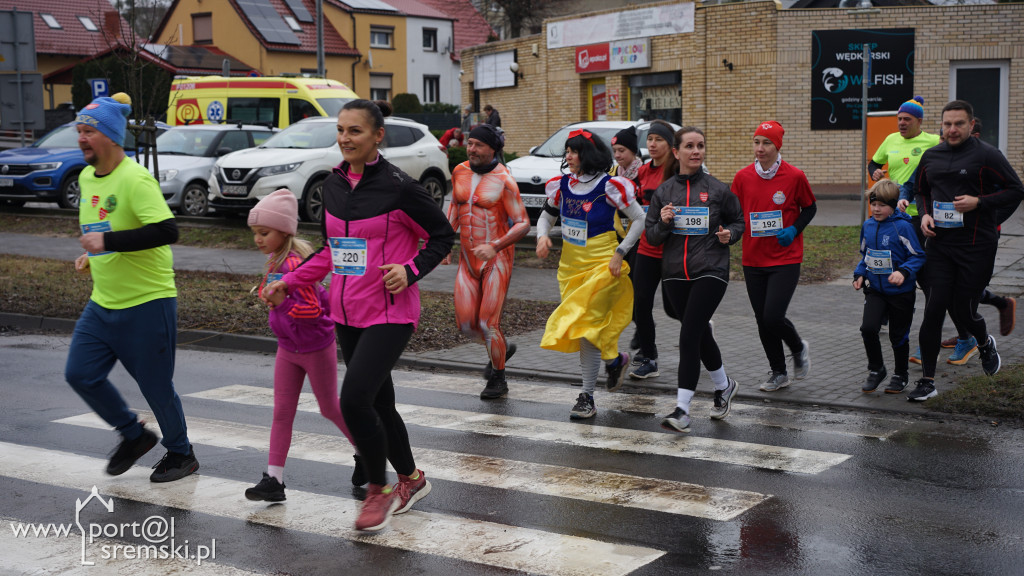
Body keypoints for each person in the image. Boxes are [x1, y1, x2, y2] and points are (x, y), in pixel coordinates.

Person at [263, 100, 455, 531]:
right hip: (346, 311)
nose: (346, 138)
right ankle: (411, 479)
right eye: (342, 130)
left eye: (355, 131)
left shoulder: (400, 187)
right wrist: (289, 282)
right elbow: (332, 252)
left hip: (391, 312)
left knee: (353, 401)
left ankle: (377, 490)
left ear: (377, 137)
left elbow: (443, 236)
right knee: (380, 404)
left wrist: (410, 270)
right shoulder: (332, 186)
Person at [65, 94, 199, 482]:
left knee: (155, 386)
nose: (81, 138)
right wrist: (93, 255)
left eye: (88, 131)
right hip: (103, 303)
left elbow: (166, 230)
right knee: (80, 374)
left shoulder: (136, 179)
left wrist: (106, 245)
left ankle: (181, 453)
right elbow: (103, 227)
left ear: (110, 136)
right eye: (79, 130)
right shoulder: (89, 177)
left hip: (147, 302)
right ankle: (133, 434)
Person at [243, 189, 360, 502]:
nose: (258, 239)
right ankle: (274, 480)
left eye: (264, 233)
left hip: (314, 348)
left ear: (284, 232)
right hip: (288, 348)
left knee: (330, 408)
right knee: (282, 413)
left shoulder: (295, 265)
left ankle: (365, 453)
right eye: (255, 233)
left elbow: (311, 314)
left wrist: (279, 303)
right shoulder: (274, 261)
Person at [910, 99, 1024, 401]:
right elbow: (921, 190)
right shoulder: (931, 156)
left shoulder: (987, 155)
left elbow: (1016, 190)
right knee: (933, 310)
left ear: (970, 124)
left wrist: (981, 204)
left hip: (976, 246)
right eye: (947, 124)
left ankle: (984, 343)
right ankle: (928, 381)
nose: (952, 129)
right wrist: (924, 214)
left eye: (959, 123)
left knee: (964, 308)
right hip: (940, 245)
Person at [535, 128, 645, 419]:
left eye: (573, 151)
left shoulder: (611, 186)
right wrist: (542, 237)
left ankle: (587, 395)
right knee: (584, 330)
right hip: (571, 267)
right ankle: (614, 361)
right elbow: (546, 217)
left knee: (588, 327)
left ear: (588, 154)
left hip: (603, 263)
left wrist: (620, 253)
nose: (568, 156)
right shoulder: (561, 186)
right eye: (567, 151)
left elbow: (640, 219)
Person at [644, 127, 743, 432]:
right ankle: (724, 386)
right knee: (697, 332)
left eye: (700, 146)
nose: (696, 151)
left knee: (688, 337)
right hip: (675, 273)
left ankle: (682, 410)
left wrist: (730, 235)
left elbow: (738, 220)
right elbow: (652, 236)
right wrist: (663, 222)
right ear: (677, 152)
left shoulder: (717, 189)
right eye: (689, 146)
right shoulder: (664, 192)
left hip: (711, 269)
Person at [443, 124, 530, 399]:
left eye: (478, 145)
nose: (472, 149)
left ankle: (498, 378)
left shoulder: (504, 180)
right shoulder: (459, 171)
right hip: (467, 259)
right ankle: (500, 349)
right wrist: (444, 242)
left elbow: (523, 224)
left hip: (497, 258)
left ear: (493, 148)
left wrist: (494, 246)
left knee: (487, 323)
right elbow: (455, 207)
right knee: (466, 323)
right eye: (470, 144)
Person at [731, 121, 816, 392]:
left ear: (777, 146)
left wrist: (794, 229)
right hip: (753, 259)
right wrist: (729, 233)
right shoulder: (742, 178)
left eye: (766, 143)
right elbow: (733, 215)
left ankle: (797, 346)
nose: (760, 148)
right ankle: (778, 372)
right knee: (761, 320)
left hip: (785, 258)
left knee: (772, 316)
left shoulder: (794, 176)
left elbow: (810, 209)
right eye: (756, 142)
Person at [852, 179, 925, 395]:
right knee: (868, 328)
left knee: (898, 336)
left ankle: (900, 374)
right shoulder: (868, 226)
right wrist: (859, 274)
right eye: (873, 204)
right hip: (875, 290)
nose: (876, 209)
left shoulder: (903, 227)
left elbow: (918, 256)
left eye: (882, 205)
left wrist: (903, 272)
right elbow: (865, 255)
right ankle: (876, 369)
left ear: (893, 205)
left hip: (901, 293)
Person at [628, 120, 677, 380]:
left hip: (672, 251)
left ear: (670, 144)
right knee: (640, 304)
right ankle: (650, 357)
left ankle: (703, 332)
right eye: (649, 139)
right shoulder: (644, 171)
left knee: (674, 309)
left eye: (658, 139)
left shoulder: (677, 172)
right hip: (646, 247)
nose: (652, 144)